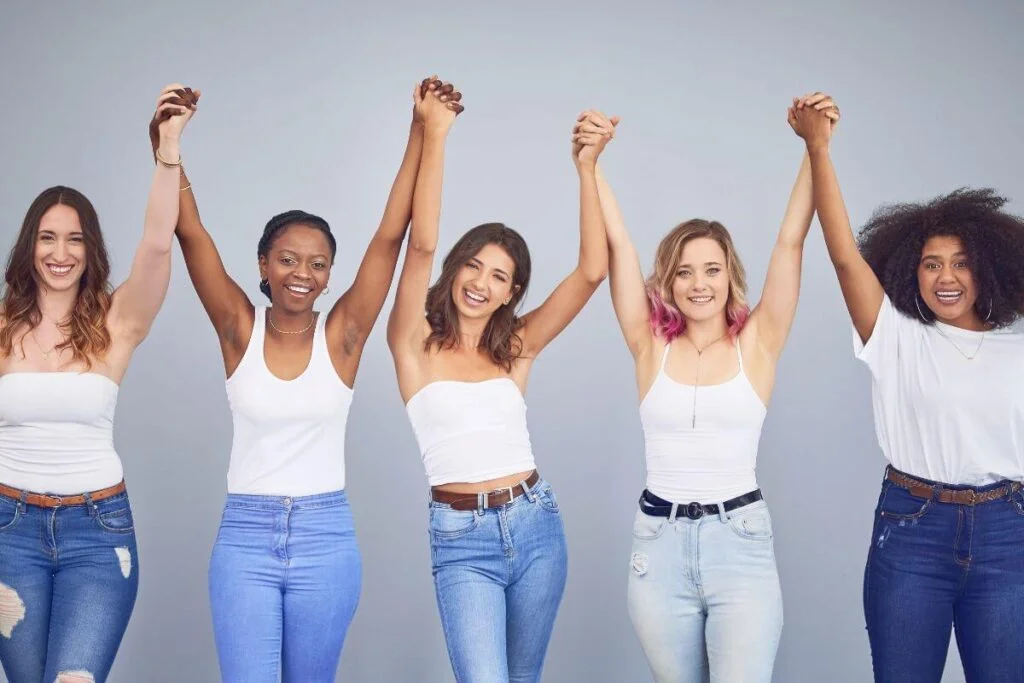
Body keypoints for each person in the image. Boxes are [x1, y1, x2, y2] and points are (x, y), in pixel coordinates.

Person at [158, 77, 462, 682]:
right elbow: (189, 234)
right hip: (245, 538)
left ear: (329, 276)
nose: (303, 272)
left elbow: (390, 237)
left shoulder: (343, 336)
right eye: (289, 260)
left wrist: (419, 130)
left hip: (326, 538)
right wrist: (169, 152)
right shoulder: (237, 329)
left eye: (318, 263)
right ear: (264, 266)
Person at [590, 95, 837, 682]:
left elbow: (790, 243)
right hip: (659, 546)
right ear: (668, 281)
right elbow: (619, 247)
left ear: (730, 276)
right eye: (683, 270)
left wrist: (815, 146)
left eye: (711, 269)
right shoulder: (649, 346)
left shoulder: (760, 343)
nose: (698, 284)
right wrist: (591, 165)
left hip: (740, 544)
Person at [793, 96, 1024, 683]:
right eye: (930, 264)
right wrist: (819, 148)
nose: (946, 277)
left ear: (988, 268)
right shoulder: (896, 337)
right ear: (908, 273)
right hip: (912, 530)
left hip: (1009, 533)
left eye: (961, 263)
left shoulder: (1017, 351)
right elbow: (845, 258)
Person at [386, 83, 610, 682]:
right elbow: (420, 243)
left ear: (513, 292)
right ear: (457, 268)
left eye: (500, 276)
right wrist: (436, 136)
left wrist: (586, 168)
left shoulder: (516, 349)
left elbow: (593, 271)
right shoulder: (412, 345)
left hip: (536, 525)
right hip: (461, 540)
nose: (481, 282)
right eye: (474, 265)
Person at [0, 83, 194, 683]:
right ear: (30, 245)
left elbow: (159, 245)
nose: (61, 253)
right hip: (8, 534)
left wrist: (167, 150)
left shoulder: (116, 322)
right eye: (48, 237)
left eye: (76, 238)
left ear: (92, 249)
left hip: (98, 534)